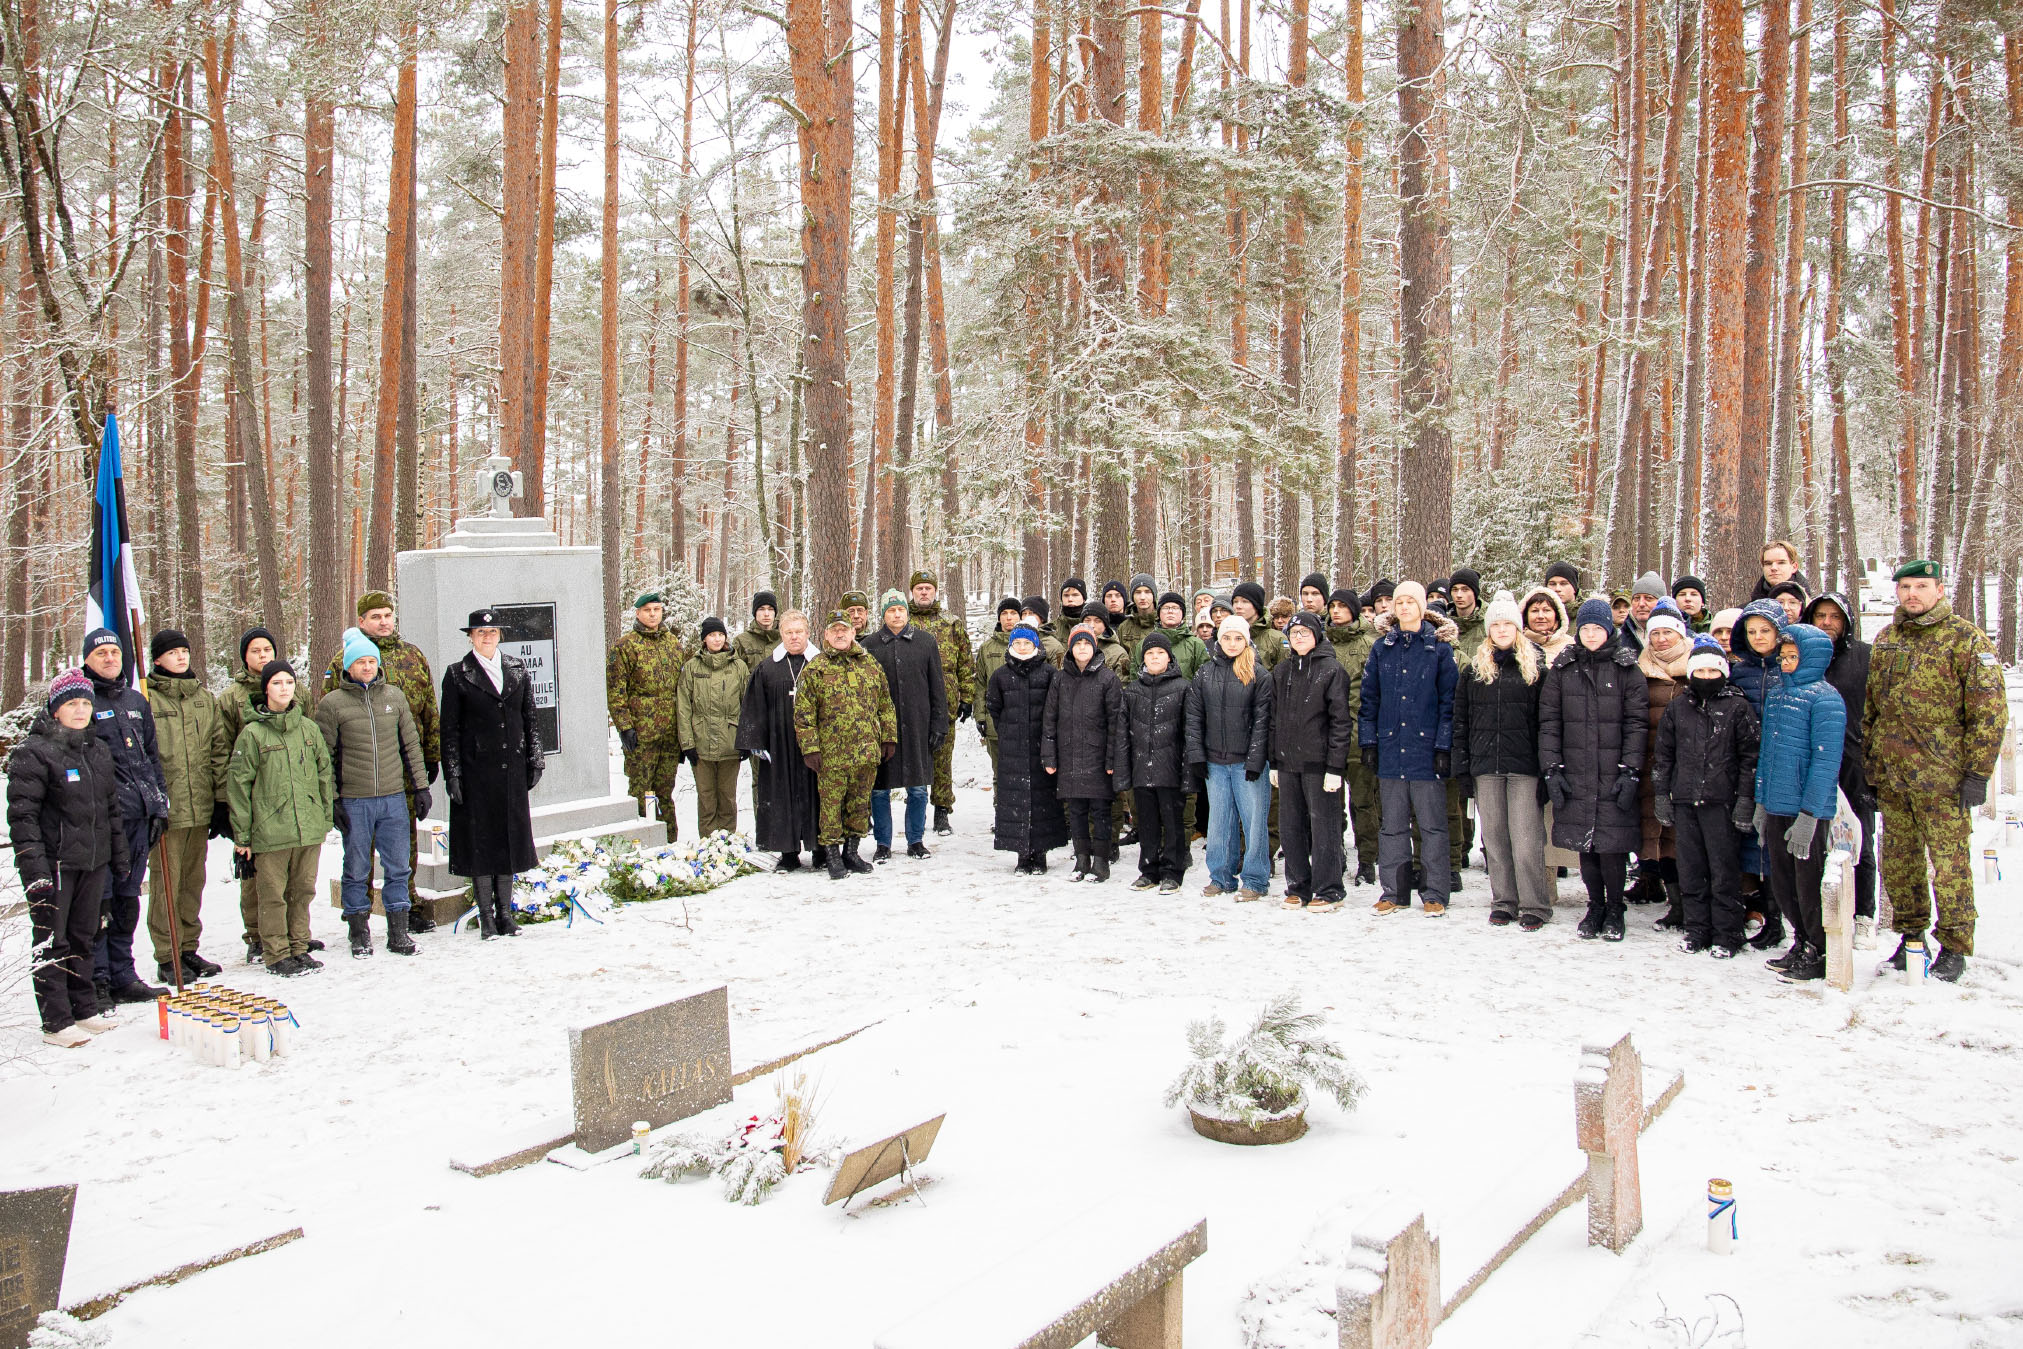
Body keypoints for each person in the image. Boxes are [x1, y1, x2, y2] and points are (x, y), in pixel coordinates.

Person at [1863, 560, 2007, 982]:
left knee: (1949, 866)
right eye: (1905, 586)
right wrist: (1873, 769)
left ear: (1939, 590)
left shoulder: (1965, 640)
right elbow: (1874, 710)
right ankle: (1911, 937)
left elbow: (1989, 713)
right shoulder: (1888, 639)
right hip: (1895, 779)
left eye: (1921, 586)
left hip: (1944, 781)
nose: (1911, 594)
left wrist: (1977, 774)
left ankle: (1955, 946)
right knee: (1900, 865)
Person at [9, 671, 128, 1046]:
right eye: (71, 703)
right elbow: (22, 816)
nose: (79, 710)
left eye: (85, 703)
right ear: (56, 709)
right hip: (55, 865)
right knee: (53, 940)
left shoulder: (97, 750)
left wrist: (118, 855)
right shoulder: (34, 752)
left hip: (92, 860)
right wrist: (35, 869)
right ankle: (56, 1021)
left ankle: (84, 1008)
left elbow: (110, 809)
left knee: (85, 935)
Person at [324, 591, 441, 928]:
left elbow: (429, 709)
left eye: (387, 615)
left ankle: (406, 905)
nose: (383, 622)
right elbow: (328, 724)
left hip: (403, 768)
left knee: (403, 844)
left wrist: (430, 757)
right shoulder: (343, 661)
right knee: (360, 847)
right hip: (359, 774)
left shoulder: (412, 655)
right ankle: (358, 910)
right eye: (375, 617)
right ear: (361, 621)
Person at [1540, 599, 1648, 941]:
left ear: (1609, 630)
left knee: (1611, 846)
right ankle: (1595, 905)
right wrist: (1552, 769)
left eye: (1597, 628)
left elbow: (1637, 723)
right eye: (1585, 628)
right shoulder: (1563, 667)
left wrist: (1631, 770)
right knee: (1585, 846)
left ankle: (1615, 908)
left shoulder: (1626, 667)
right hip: (1576, 771)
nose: (1590, 634)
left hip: (1612, 772)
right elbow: (1549, 721)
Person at [227, 661, 337, 974]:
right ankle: (276, 953)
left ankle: (299, 946)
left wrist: (323, 816)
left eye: (289, 682)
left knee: (302, 891)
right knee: (273, 895)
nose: (284, 688)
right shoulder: (253, 734)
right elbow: (238, 785)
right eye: (277, 683)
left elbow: (323, 773)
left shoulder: (308, 728)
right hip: (271, 830)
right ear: (265, 689)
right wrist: (243, 835)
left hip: (308, 827)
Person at [1653, 636, 1760, 956]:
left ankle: (1728, 934)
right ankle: (1697, 930)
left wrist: (1744, 799)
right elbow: (1664, 756)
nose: (1707, 678)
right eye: (1701, 672)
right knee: (1691, 869)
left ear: (1723, 673)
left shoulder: (1737, 707)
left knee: (1724, 871)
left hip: (1721, 803)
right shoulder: (1677, 708)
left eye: (1714, 672)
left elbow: (1749, 758)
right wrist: (1662, 794)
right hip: (1686, 801)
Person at [440, 609, 542, 940]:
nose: (487, 637)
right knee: (481, 844)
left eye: (493, 632)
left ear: (500, 635)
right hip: (475, 773)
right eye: (481, 633)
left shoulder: (516, 668)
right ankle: (486, 917)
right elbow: (449, 729)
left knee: (508, 841)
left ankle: (506, 914)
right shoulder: (457, 674)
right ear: (470, 637)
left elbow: (530, 717)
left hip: (511, 770)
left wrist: (535, 759)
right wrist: (452, 773)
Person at [1359, 581, 1459, 916]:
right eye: (1398, 602)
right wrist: (1369, 742)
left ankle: (1434, 892)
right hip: (1390, 748)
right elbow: (1369, 699)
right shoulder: (1381, 649)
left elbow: (1449, 703)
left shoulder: (1439, 650)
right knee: (1392, 825)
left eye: (1410, 602)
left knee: (1431, 825)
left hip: (1425, 750)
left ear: (1421, 607)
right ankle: (1394, 891)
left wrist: (1443, 746)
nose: (1403, 607)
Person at [81, 628, 169, 1005]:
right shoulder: (80, 701)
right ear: (87, 659)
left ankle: (122, 972)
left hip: (138, 818)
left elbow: (151, 756)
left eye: (114, 651)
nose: (109, 658)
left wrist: (158, 803)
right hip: (101, 823)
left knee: (127, 899)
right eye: (100, 653)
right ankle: (96, 977)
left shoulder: (135, 699)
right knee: (99, 902)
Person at [1453, 591, 1551, 928]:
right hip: (1485, 766)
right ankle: (1504, 900)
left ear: (1518, 627)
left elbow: (1547, 722)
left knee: (1525, 841)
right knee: (1494, 839)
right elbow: (1461, 720)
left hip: (1524, 766)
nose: (1503, 629)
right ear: (1489, 629)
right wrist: (1463, 767)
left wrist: (1547, 767)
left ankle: (1535, 905)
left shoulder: (1536, 668)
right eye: (1497, 624)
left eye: (1509, 623)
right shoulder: (1475, 670)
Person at [1755, 623, 1846, 982]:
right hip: (1777, 804)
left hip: (1806, 811)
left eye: (1794, 656)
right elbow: (1767, 754)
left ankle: (1819, 948)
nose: (1786, 662)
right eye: (1784, 655)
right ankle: (1801, 941)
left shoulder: (1825, 699)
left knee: (1809, 885)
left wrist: (1809, 815)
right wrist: (1762, 803)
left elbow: (1825, 762)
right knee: (1784, 884)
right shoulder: (1777, 694)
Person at [144, 629, 227, 983]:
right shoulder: (146, 699)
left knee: (193, 882)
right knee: (167, 883)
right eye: (172, 652)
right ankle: (167, 953)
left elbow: (218, 751)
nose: (181, 657)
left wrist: (221, 801)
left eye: (184, 651)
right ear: (158, 659)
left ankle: (188, 947)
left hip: (200, 806)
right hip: (168, 809)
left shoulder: (203, 698)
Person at [795, 611, 897, 880]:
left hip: (865, 751)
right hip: (831, 755)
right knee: (831, 807)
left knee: (859, 806)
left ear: (854, 633)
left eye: (845, 629)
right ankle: (831, 855)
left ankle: (851, 852)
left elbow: (885, 704)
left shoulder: (870, 665)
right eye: (834, 631)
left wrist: (888, 738)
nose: (840, 634)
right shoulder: (816, 669)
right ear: (826, 635)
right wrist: (811, 749)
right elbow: (803, 714)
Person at [1802, 591, 1877, 947]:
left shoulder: (1863, 656)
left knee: (1860, 838)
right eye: (1820, 616)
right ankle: (1824, 910)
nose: (1827, 623)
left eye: (1835, 616)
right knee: (1815, 837)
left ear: (1846, 621)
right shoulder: (1802, 655)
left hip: (1853, 760)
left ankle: (1864, 914)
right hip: (1813, 759)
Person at [1271, 612, 1353, 911]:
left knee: (1324, 829)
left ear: (1317, 636)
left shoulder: (1332, 671)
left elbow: (1341, 722)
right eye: (1294, 633)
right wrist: (1275, 762)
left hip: (1320, 766)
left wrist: (1335, 767)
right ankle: (1298, 886)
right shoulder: (1282, 671)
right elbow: (1273, 720)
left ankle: (1329, 888)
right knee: (1291, 828)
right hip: (1289, 763)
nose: (1299, 638)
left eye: (1305, 632)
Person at [1189, 616, 1274, 899]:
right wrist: (1198, 755)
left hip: (1247, 763)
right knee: (1219, 823)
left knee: (1253, 823)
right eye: (1227, 638)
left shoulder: (1259, 675)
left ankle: (1255, 879)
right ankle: (1221, 877)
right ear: (1219, 640)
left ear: (1246, 640)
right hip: (1215, 761)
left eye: (1238, 638)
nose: (1232, 643)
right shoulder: (1204, 673)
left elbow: (1263, 721)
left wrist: (1255, 759)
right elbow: (1194, 717)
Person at [218, 626, 289, 962]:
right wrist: (227, 803)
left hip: (288, 793)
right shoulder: (232, 697)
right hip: (253, 793)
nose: (263, 656)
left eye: (267, 650)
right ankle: (256, 935)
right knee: (255, 872)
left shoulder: (290, 685)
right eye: (256, 651)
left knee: (288, 870)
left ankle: (289, 932)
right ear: (245, 657)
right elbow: (222, 750)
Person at [738, 610, 823, 870]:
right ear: (781, 634)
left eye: (799, 632)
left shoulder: (821, 664)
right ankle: (788, 853)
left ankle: (820, 849)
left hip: (815, 745)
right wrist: (755, 740)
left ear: (808, 633)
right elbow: (754, 706)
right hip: (779, 743)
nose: (794, 637)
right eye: (789, 632)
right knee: (781, 796)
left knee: (817, 796)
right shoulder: (767, 667)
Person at [1043, 629, 1129, 882]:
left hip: (1098, 756)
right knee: (1077, 810)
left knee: (1101, 810)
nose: (1082, 648)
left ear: (1094, 648)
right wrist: (1049, 756)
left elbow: (1116, 722)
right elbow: (1050, 720)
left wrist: (1113, 759)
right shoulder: (1060, 679)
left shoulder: (1107, 679)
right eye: (1077, 643)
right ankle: (1081, 858)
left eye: (1086, 643)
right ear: (1070, 648)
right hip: (1068, 754)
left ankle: (1101, 860)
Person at [868, 590, 949, 861]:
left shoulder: (925, 642)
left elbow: (937, 686)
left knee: (917, 788)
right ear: (883, 614)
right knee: (879, 789)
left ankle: (915, 840)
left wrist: (940, 724)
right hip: (883, 731)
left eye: (901, 610)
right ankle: (883, 843)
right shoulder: (870, 645)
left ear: (907, 611)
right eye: (891, 611)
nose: (897, 614)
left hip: (918, 726)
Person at [1729, 598, 1788, 947]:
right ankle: (1757, 911)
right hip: (1746, 767)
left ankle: (1778, 916)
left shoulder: (1789, 669)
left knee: (1776, 847)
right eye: (1751, 631)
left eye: (1765, 630)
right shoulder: (1740, 672)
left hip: (1781, 765)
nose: (1758, 637)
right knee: (1750, 843)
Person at [607, 591, 688, 842]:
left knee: (665, 791)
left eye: (657, 609)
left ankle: (669, 843)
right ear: (638, 613)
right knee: (642, 790)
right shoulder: (625, 646)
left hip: (669, 734)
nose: (653, 614)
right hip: (641, 734)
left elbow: (683, 689)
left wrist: (684, 733)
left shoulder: (672, 644)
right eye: (647, 610)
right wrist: (624, 727)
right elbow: (615, 689)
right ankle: (641, 844)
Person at [987, 625, 1067, 873]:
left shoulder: (1049, 674)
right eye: (1018, 643)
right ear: (1011, 646)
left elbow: (1055, 708)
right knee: (1015, 800)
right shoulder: (1000, 676)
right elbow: (994, 707)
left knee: (1043, 799)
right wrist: (1008, 732)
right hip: (1012, 748)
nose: (1022, 647)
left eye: (1027, 643)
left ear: (1036, 646)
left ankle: (1040, 853)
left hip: (1041, 745)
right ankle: (1022, 853)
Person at [1636, 600, 1692, 921]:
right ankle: (1669, 897)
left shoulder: (1696, 666)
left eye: (1667, 632)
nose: (1660, 639)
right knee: (1653, 833)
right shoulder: (1640, 668)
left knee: (1678, 835)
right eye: (1655, 633)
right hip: (1648, 760)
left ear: (1679, 634)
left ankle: (1687, 902)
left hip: (1683, 764)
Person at [1123, 631, 1193, 892]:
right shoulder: (1133, 690)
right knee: (1147, 822)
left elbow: (1189, 733)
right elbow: (1123, 732)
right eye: (1150, 654)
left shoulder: (1183, 688)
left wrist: (1188, 769)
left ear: (1169, 657)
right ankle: (1149, 869)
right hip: (1142, 768)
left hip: (1171, 769)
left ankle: (1173, 870)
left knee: (1173, 822)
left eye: (1160, 653)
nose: (1154, 657)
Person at [906, 571, 974, 835]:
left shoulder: (951, 622)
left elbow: (965, 663)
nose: (924, 592)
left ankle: (942, 811)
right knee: (916, 760)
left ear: (936, 592)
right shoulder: (903, 621)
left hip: (944, 703)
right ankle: (916, 812)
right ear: (912, 591)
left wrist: (966, 697)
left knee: (942, 760)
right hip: (912, 702)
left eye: (928, 588)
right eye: (919, 588)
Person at [678, 617, 752, 837]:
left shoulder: (738, 667)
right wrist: (687, 743)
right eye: (712, 635)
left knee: (728, 797)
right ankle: (708, 845)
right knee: (706, 797)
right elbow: (683, 706)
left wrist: (746, 740)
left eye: (720, 635)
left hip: (731, 742)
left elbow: (747, 705)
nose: (717, 639)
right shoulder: (692, 667)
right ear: (704, 640)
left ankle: (728, 844)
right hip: (701, 744)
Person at [1327, 588, 1380, 886]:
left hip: (1360, 736)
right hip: (1329, 740)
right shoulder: (1320, 643)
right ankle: (1335, 856)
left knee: (1363, 804)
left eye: (1342, 606)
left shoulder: (1371, 644)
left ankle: (1367, 860)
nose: (1336, 611)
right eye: (1332, 606)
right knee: (1330, 805)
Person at [974, 599, 1024, 773]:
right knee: (1000, 772)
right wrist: (980, 715)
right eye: (1004, 614)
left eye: (1013, 614)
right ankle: (998, 801)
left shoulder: (1028, 644)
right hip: (995, 723)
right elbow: (980, 683)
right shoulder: (987, 648)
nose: (1009, 618)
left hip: (1024, 723)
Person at [1137, 593, 1208, 679]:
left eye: (1175, 608)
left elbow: (1204, 680)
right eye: (1166, 608)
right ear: (1159, 613)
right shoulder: (1144, 644)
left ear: (1182, 613)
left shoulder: (1196, 645)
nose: (1170, 611)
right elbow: (1135, 677)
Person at [1232, 582, 1286, 669]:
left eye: (1245, 601)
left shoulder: (1276, 638)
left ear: (1257, 605)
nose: (1238, 606)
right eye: (1235, 601)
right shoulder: (1226, 634)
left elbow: (1284, 674)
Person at [732, 591, 781, 670]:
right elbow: (736, 674)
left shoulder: (785, 639)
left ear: (775, 613)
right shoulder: (741, 641)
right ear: (755, 613)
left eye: (770, 609)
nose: (766, 614)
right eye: (761, 609)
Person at [1020, 596, 1067, 666]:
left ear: (1041, 618)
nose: (1027, 617)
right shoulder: (1016, 640)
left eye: (1031, 613)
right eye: (1024, 614)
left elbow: (1059, 673)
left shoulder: (1054, 646)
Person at [1118, 574, 1161, 650]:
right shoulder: (1124, 627)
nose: (1142, 597)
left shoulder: (1163, 623)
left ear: (1154, 595)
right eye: (1138, 592)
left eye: (1147, 592)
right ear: (1132, 596)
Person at [1051, 578, 1089, 648]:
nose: (1070, 599)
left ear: (1083, 598)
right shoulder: (1053, 628)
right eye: (1066, 595)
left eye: (1075, 595)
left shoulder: (1092, 625)